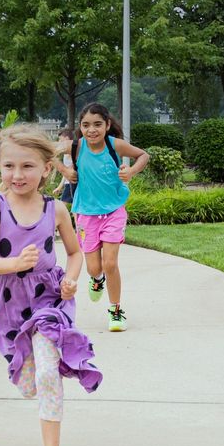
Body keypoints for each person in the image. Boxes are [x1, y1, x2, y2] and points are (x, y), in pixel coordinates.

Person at [0, 124, 101, 446]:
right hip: (12, 305)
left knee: (47, 374)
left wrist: (72, 279)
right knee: (31, 381)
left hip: (48, 300)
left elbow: (75, 253)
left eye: (27, 166)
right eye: (9, 166)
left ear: (47, 168)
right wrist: (13, 263)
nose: (17, 175)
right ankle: (37, 379)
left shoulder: (55, 209)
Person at [56, 103, 149, 332]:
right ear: (80, 127)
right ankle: (96, 280)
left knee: (110, 263)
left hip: (113, 212)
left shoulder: (113, 145)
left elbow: (143, 155)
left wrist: (131, 171)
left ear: (107, 125)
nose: (92, 130)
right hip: (86, 215)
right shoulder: (76, 147)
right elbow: (47, 152)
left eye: (97, 124)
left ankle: (115, 311)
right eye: (86, 125)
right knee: (94, 268)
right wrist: (65, 171)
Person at [50, 128, 75, 208]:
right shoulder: (64, 155)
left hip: (73, 183)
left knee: (64, 206)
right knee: (74, 207)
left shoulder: (74, 153)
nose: (59, 142)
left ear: (67, 139)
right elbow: (65, 173)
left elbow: (70, 172)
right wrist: (59, 187)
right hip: (68, 183)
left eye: (61, 140)